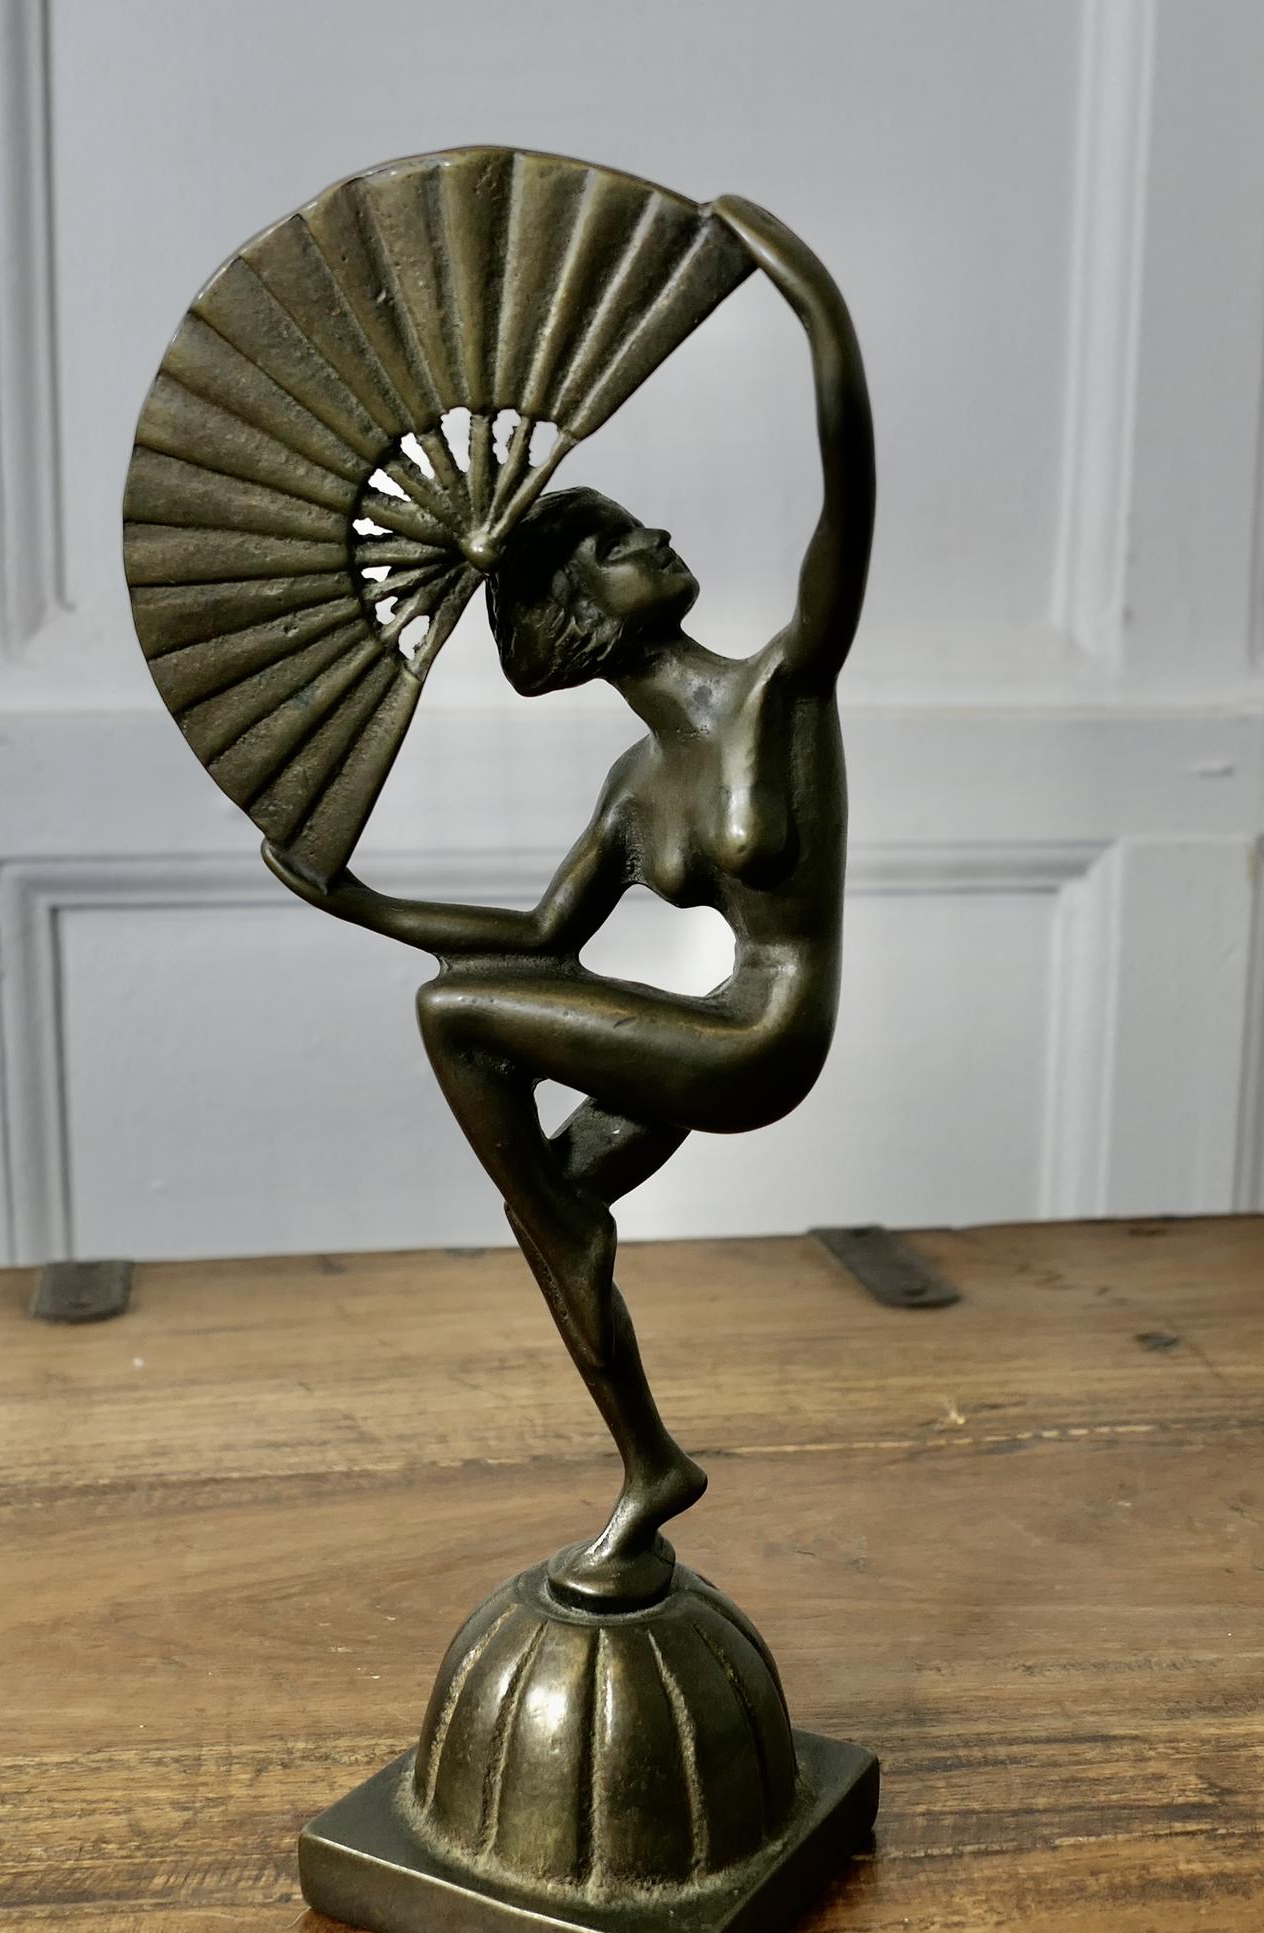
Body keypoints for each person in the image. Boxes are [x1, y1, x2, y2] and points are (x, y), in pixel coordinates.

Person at [264, 196, 874, 1605]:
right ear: (577, 609)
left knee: (458, 1027)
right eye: (615, 540)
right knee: (528, 1153)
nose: (653, 532)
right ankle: (646, 1458)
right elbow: (545, 941)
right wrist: (358, 898)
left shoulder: (785, 688)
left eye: (634, 523)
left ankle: (561, 1231)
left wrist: (813, 310)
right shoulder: (633, 782)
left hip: (764, 1037)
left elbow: (848, 496)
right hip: (695, 1033)